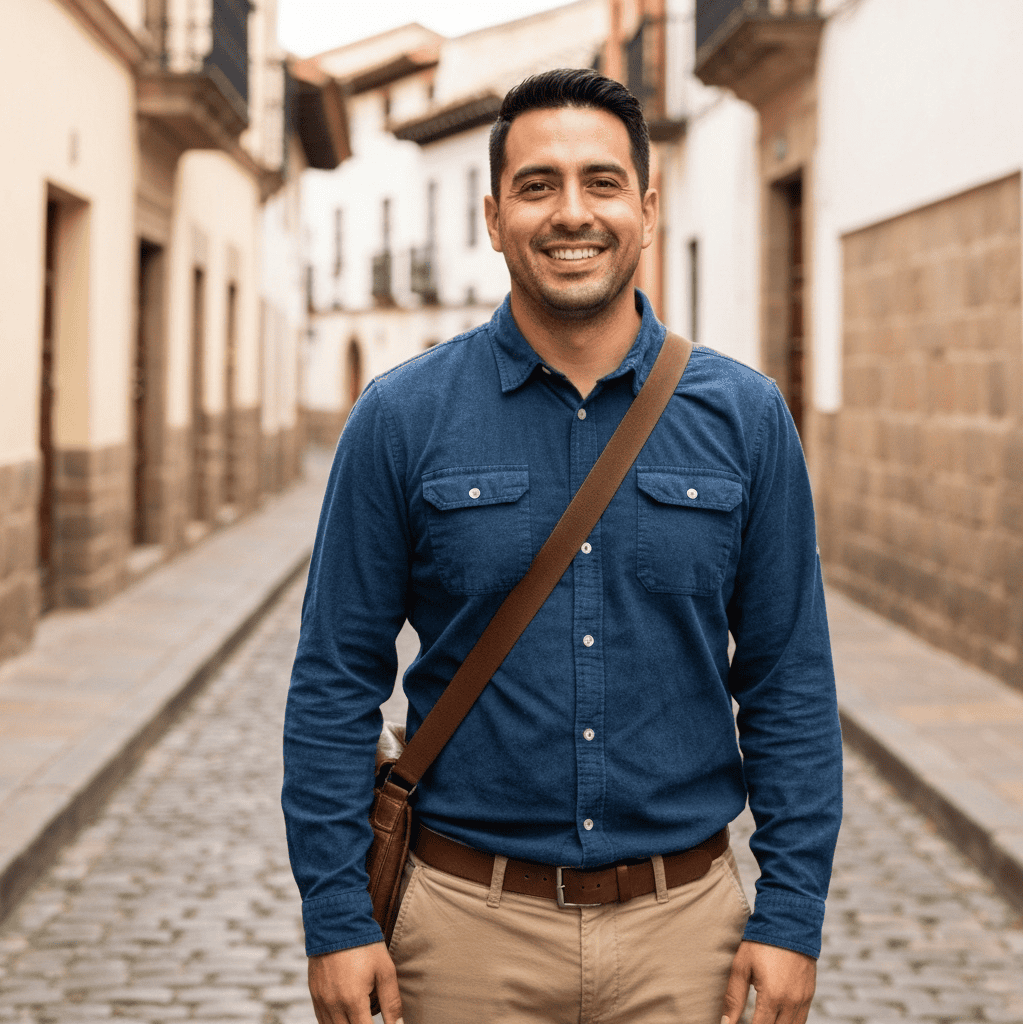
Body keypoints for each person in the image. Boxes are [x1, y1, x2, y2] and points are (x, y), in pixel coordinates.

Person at [283, 68, 842, 1024]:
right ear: (494, 217)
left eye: (602, 182)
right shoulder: (401, 419)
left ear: (646, 209)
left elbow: (789, 681)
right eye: (538, 186)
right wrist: (339, 919)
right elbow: (335, 680)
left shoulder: (745, 420)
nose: (571, 213)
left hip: (686, 936)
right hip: (460, 934)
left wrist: (790, 916)